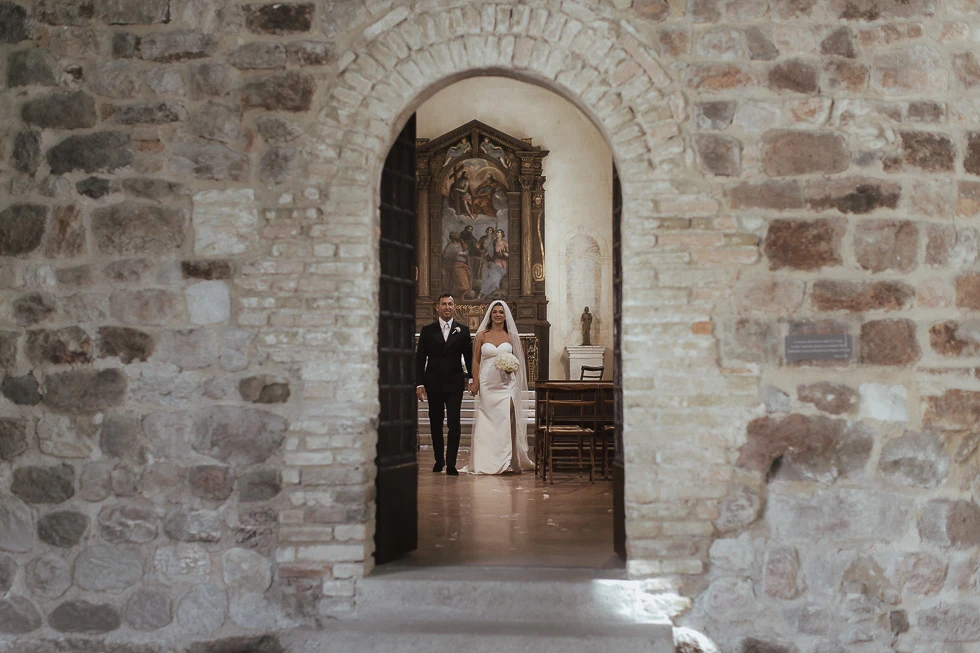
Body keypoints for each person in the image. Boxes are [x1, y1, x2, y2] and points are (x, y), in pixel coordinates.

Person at [462, 301, 534, 475]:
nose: (498, 314)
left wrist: (512, 367)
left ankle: (505, 460)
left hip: (506, 384)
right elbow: (476, 360)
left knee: (504, 418)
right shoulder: (481, 335)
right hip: (488, 384)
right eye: (495, 312)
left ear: (505, 315)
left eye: (501, 312)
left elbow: (519, 361)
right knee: (487, 421)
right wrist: (476, 381)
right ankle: (486, 460)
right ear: (490, 314)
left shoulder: (511, 336)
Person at [415, 294, 473, 475]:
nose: (447, 307)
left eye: (450, 304)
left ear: (454, 307)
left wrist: (471, 379)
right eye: (443, 304)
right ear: (437, 307)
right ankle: (438, 459)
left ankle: (451, 463)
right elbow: (419, 359)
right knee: (435, 423)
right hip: (433, 383)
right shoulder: (428, 330)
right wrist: (419, 384)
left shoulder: (462, 330)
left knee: (454, 424)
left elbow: (469, 358)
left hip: (455, 383)